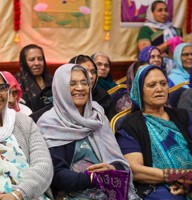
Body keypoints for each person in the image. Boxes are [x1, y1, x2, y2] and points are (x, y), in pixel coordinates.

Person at [37, 64, 140, 200]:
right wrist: (93, 178)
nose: (80, 88)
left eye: (84, 83)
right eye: (72, 83)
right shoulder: (50, 123)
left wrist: (111, 169)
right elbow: (56, 174)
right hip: (72, 193)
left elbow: (118, 160)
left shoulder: (97, 117)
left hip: (109, 187)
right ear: (61, 87)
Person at [116, 65, 192, 199]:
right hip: (156, 186)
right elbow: (136, 170)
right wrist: (178, 177)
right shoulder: (130, 125)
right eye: (151, 85)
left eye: (163, 83)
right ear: (139, 91)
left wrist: (191, 179)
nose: (159, 89)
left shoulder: (183, 116)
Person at [0, 72, 53, 200]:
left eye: (1, 88)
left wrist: (18, 195)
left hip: (29, 195)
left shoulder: (23, 122)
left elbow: (43, 164)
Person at [69, 54, 117, 121]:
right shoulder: (60, 98)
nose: (91, 76)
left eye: (93, 72)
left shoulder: (102, 95)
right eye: (85, 71)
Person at [15, 44, 53, 112]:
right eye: (32, 60)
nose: (37, 63)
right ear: (24, 62)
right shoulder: (16, 82)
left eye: (40, 59)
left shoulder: (52, 80)